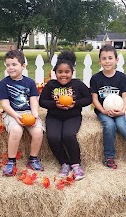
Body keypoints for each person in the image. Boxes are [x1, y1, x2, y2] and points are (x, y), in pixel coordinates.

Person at [90, 45, 126, 170]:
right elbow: (94, 99)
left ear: (116, 60)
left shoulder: (121, 77)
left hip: (119, 110)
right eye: (104, 58)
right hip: (103, 111)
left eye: (110, 58)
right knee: (109, 126)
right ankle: (109, 157)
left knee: (122, 125)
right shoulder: (96, 78)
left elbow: (125, 97)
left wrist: (122, 111)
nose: (107, 61)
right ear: (100, 61)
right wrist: (103, 110)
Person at [39, 51, 92, 180]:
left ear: (71, 73)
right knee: (53, 137)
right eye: (60, 72)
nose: (63, 75)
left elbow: (88, 98)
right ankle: (64, 163)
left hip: (72, 116)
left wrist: (75, 104)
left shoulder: (77, 84)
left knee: (68, 136)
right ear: (55, 73)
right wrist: (55, 105)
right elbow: (42, 101)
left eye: (66, 72)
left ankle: (76, 164)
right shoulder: (51, 85)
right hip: (54, 117)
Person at [0, 50, 44, 176]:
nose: (10, 68)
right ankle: (11, 161)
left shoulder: (29, 82)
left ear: (23, 66)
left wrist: (34, 114)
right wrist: (15, 115)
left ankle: (33, 159)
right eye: (8, 65)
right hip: (12, 112)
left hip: (28, 112)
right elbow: (5, 104)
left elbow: (33, 100)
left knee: (38, 131)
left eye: (14, 64)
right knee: (17, 130)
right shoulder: (4, 83)